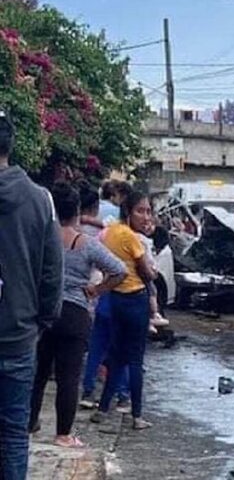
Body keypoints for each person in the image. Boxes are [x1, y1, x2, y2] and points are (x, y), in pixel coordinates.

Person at [28, 183, 126, 448]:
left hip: (43, 311)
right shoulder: (87, 245)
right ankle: (63, 435)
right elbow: (119, 270)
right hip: (75, 314)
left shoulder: (40, 237)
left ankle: (30, 423)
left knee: (38, 372)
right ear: (78, 211)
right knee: (68, 377)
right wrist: (97, 289)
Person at [0, 110, 63, 480]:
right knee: (12, 434)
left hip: (21, 332)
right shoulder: (40, 200)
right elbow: (51, 273)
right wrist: (41, 322)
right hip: (19, 337)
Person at [91, 191, 158, 430]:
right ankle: (137, 416)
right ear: (128, 212)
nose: (146, 216)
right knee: (135, 359)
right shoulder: (131, 238)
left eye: (148, 211)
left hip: (115, 299)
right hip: (135, 299)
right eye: (140, 211)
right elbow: (148, 273)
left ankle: (102, 408)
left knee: (116, 355)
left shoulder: (109, 233)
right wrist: (151, 269)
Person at [78, 182, 131, 411]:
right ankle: (121, 395)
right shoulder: (127, 236)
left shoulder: (100, 233)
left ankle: (89, 390)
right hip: (121, 296)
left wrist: (97, 290)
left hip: (101, 297)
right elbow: (131, 271)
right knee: (121, 348)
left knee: (96, 346)